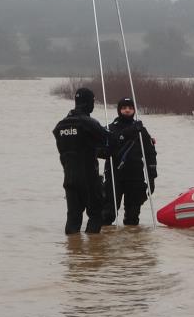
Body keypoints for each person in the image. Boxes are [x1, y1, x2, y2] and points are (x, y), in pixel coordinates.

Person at [53, 87, 109, 235]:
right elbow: (108, 141)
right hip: (88, 178)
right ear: (88, 102)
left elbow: (74, 147)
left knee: (73, 217)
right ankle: (92, 255)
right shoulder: (88, 123)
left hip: (69, 179)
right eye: (92, 101)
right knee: (96, 215)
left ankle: (74, 253)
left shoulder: (60, 126)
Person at [102, 97, 157, 226]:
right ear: (119, 110)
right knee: (107, 215)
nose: (127, 110)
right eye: (124, 108)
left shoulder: (141, 130)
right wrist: (127, 133)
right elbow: (101, 151)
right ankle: (102, 243)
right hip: (114, 175)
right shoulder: (110, 128)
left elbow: (150, 154)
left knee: (132, 218)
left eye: (130, 108)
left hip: (135, 176)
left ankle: (132, 244)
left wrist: (151, 178)